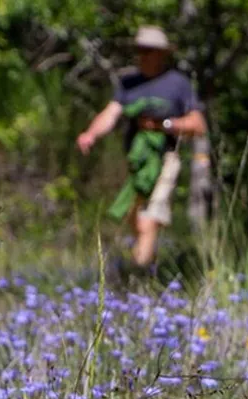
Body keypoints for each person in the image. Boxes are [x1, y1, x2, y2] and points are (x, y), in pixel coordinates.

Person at [76, 26, 208, 271]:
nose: (143, 55)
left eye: (149, 51)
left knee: (148, 220)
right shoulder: (129, 83)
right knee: (134, 218)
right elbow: (111, 113)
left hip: (166, 158)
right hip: (136, 160)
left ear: (161, 54)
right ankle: (148, 267)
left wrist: (164, 125)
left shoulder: (177, 84)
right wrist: (90, 134)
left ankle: (137, 275)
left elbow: (198, 125)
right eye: (140, 50)